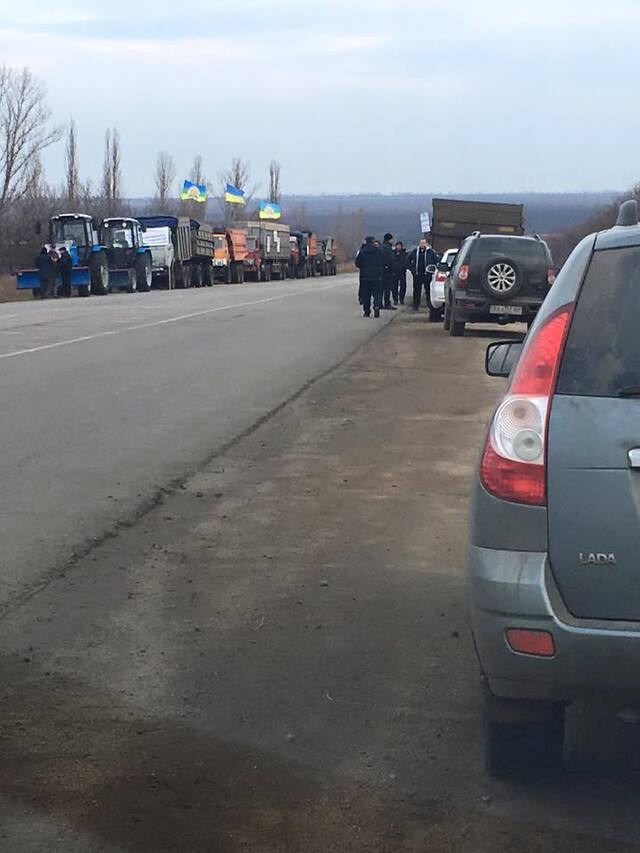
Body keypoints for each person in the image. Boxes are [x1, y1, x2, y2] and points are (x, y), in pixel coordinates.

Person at [407, 237, 438, 311]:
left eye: (424, 243)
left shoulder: (430, 252)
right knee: (416, 291)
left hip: (427, 274)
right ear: (419, 244)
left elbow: (436, 260)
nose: (422, 244)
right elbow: (408, 260)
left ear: (426, 244)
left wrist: (432, 269)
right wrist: (412, 269)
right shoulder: (415, 251)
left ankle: (429, 306)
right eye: (421, 243)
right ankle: (415, 306)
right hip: (417, 274)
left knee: (428, 291)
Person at [355, 236, 383, 318]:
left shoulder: (362, 252)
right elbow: (382, 261)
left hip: (365, 277)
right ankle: (376, 305)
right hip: (376, 276)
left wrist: (363, 268)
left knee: (366, 295)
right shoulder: (378, 251)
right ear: (373, 242)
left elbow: (357, 263)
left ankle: (367, 311)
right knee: (377, 293)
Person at [380, 232, 395, 310]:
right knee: (387, 288)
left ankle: (379, 303)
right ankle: (387, 303)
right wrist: (391, 269)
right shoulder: (388, 248)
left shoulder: (381, 247)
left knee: (381, 288)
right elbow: (390, 259)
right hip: (388, 271)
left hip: (381, 270)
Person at [391, 241, 408, 305]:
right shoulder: (392, 253)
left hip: (402, 271)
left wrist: (405, 267)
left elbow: (407, 261)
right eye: (397, 245)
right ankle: (395, 299)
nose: (398, 247)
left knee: (403, 286)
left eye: (400, 245)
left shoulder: (404, 253)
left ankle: (401, 299)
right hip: (394, 272)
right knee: (394, 286)